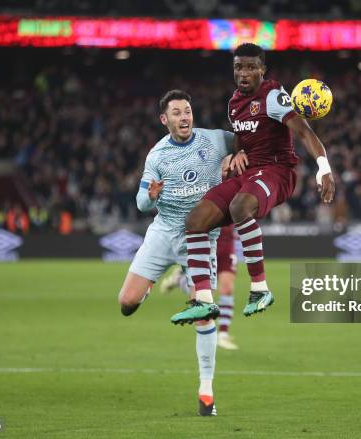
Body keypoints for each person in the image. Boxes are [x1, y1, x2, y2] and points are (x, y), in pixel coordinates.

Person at [170, 43, 335, 324]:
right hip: (249, 173)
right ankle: (203, 300)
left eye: (250, 67)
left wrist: (324, 168)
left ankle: (260, 288)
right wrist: (236, 152)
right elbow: (240, 139)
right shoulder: (234, 103)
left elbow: (304, 133)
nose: (243, 73)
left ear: (262, 69)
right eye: (238, 67)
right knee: (195, 220)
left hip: (277, 171)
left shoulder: (272, 95)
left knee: (240, 207)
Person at [117, 89, 236, 416]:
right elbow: (141, 204)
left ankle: (206, 391)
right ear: (164, 119)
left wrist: (241, 156)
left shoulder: (213, 141)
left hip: (200, 236)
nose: (184, 117)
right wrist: (152, 195)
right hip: (164, 232)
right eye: (177, 113)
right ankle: (154, 283)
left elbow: (248, 143)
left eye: (187, 111)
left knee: (205, 310)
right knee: (126, 303)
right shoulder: (157, 156)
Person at [160, 225, 240, 350]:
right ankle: (179, 280)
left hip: (227, 245)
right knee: (204, 298)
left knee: (227, 289)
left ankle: (223, 335)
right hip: (206, 243)